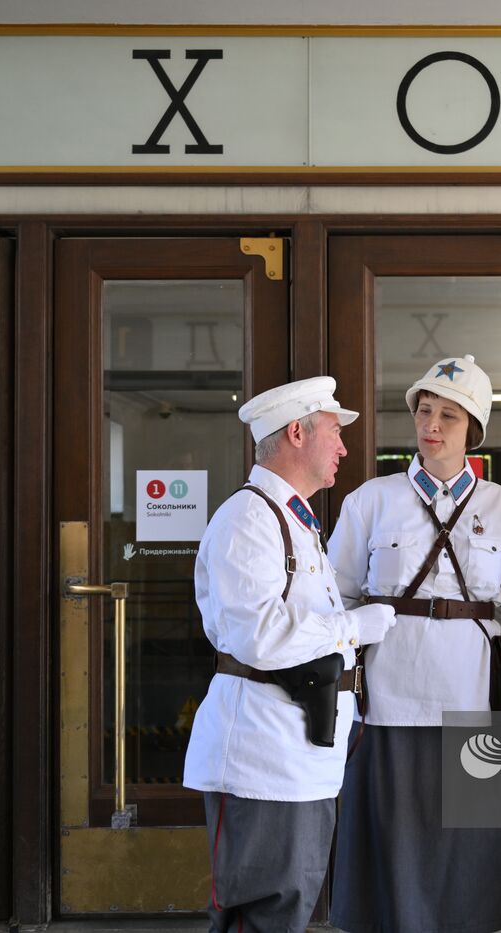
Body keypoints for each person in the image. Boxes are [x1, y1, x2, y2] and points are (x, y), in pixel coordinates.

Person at [327, 354, 501, 933]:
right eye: (425, 410)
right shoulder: (370, 500)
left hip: (469, 694)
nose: (432, 424)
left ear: (473, 429)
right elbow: (338, 596)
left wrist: (486, 641)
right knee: (392, 831)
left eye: (449, 415)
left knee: (466, 843)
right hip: (387, 695)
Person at [182, 376, 398, 933]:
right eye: (335, 432)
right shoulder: (248, 519)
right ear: (297, 432)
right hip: (262, 755)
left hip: (297, 755)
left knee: (288, 904)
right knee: (264, 908)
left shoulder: (294, 518)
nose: (345, 448)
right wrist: (355, 625)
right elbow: (258, 635)